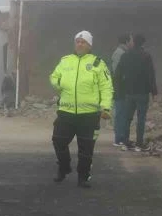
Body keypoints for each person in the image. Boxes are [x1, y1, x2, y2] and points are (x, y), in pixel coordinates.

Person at [49, 30, 114, 188]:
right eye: (77, 41)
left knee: (86, 149)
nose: (79, 44)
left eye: (83, 42)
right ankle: (64, 167)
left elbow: (106, 87)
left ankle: (83, 177)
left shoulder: (98, 63)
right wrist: (57, 82)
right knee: (58, 141)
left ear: (89, 45)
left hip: (89, 115)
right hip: (66, 112)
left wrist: (106, 107)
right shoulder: (65, 61)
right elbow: (54, 76)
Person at [114, 34, 158, 152]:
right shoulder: (146, 56)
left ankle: (126, 142)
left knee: (127, 118)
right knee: (141, 118)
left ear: (134, 42)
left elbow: (117, 74)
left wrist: (119, 88)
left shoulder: (125, 56)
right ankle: (139, 143)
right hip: (142, 92)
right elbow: (151, 75)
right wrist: (154, 91)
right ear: (143, 43)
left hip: (128, 92)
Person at [110, 34, 131, 146]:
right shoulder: (120, 54)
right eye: (131, 40)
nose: (132, 43)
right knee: (120, 113)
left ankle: (120, 137)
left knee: (121, 113)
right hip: (120, 89)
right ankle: (119, 138)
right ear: (127, 42)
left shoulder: (120, 53)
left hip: (120, 88)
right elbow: (117, 73)